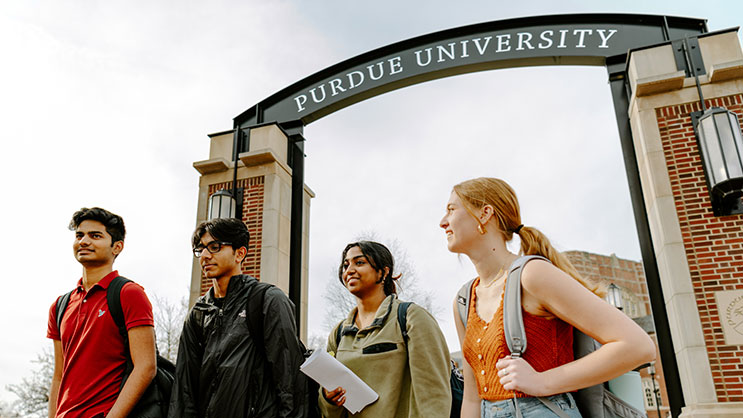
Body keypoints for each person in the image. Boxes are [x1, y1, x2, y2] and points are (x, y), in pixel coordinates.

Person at [440, 177, 656, 418]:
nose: (443, 222)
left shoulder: (532, 275)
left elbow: (638, 346)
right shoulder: (463, 300)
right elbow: (472, 397)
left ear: (485, 214)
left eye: (451, 209)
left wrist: (541, 381)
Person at [169, 217, 307, 418]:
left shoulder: (268, 301)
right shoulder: (198, 312)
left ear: (240, 253)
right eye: (201, 249)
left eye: (214, 247)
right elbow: (184, 388)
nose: (205, 256)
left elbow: (290, 382)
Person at [320, 241, 452, 418]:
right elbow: (328, 412)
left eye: (359, 262)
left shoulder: (411, 318)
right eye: (346, 265)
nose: (349, 270)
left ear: (383, 271)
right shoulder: (338, 333)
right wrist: (329, 399)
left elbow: (434, 395)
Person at [47, 207, 157, 418]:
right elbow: (59, 376)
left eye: (95, 236)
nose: (84, 241)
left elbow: (146, 367)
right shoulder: (60, 305)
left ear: (117, 246)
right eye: (80, 235)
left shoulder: (129, 294)